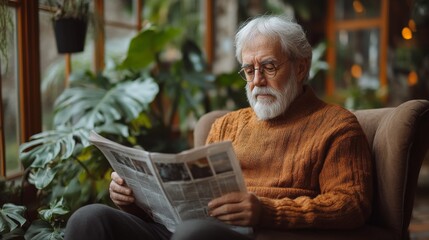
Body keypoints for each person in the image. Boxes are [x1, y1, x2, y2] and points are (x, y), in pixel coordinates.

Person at [65, 15, 373, 240]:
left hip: (256, 233)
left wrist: (268, 211)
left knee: (193, 234)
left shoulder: (337, 126)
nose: (257, 81)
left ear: (301, 67)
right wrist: (133, 198)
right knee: (89, 219)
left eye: (268, 67)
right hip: (187, 229)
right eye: (249, 70)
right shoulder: (226, 125)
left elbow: (351, 205)